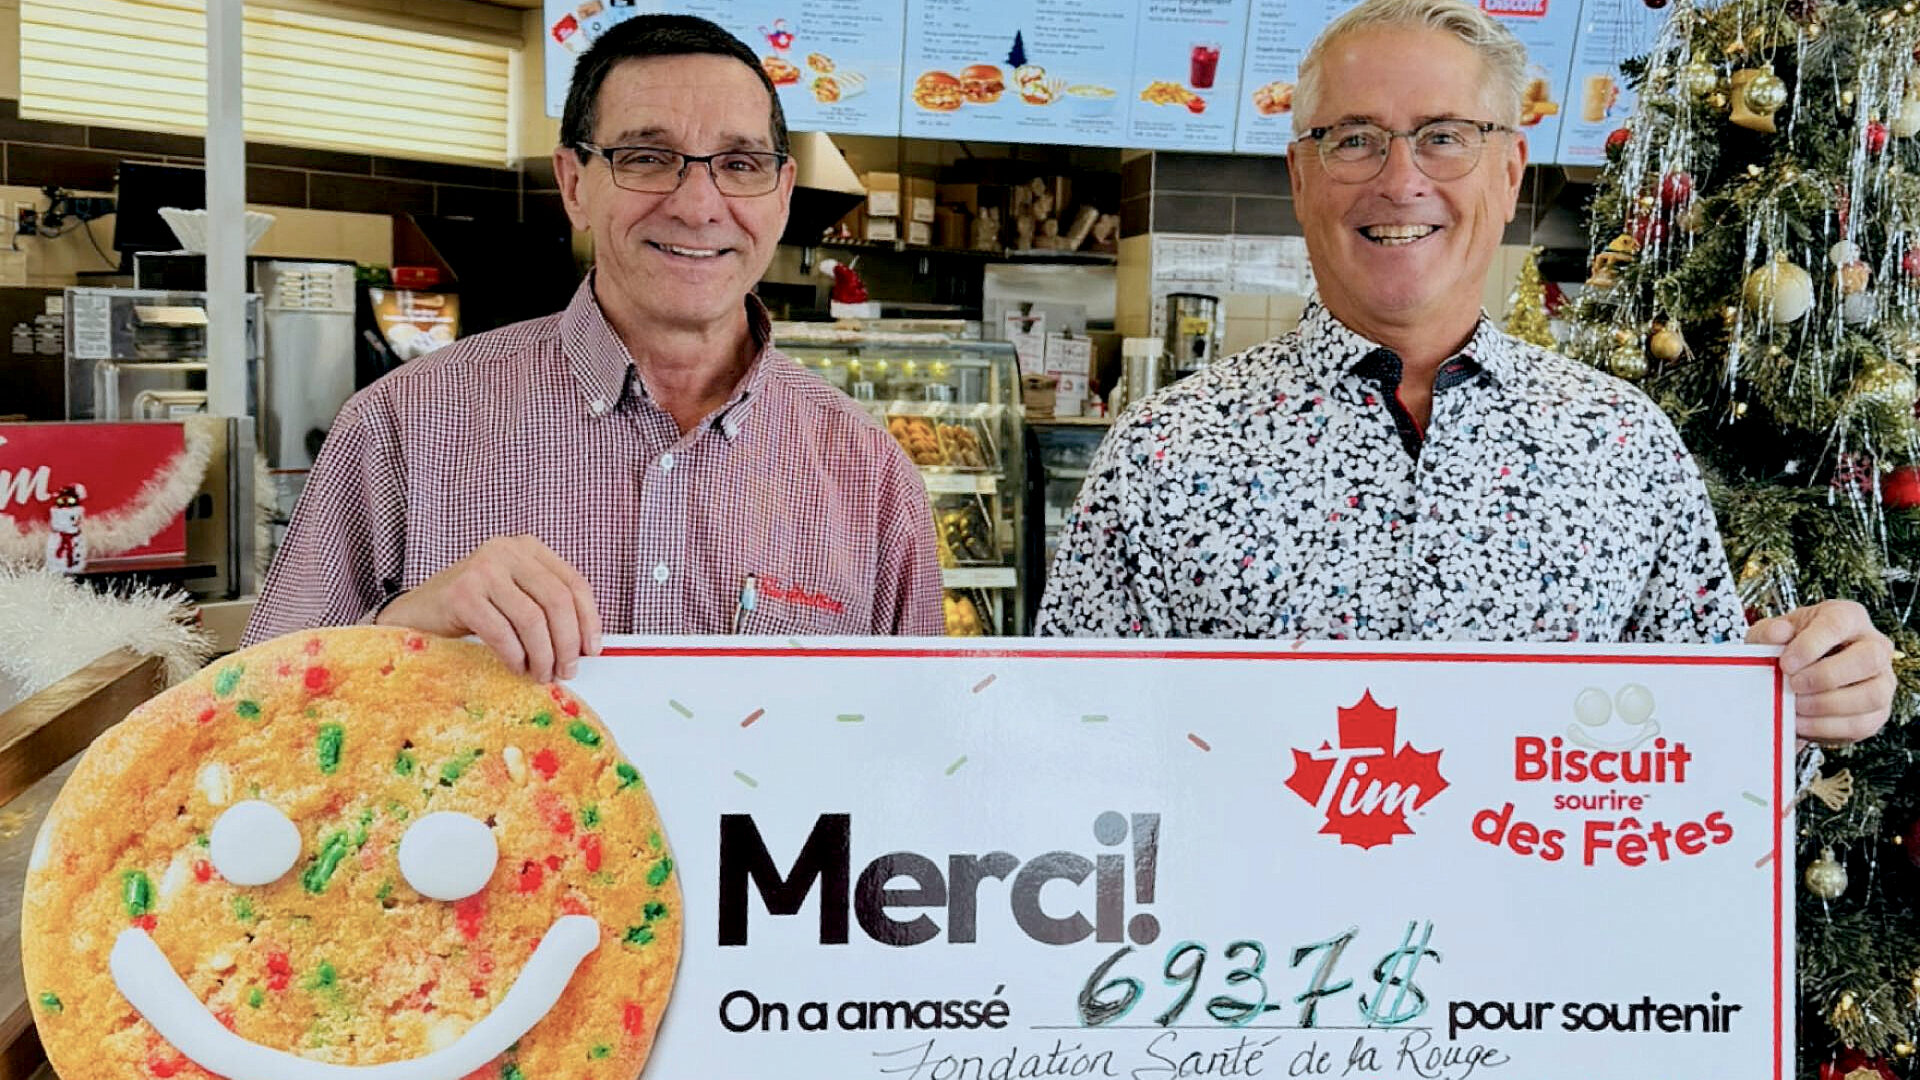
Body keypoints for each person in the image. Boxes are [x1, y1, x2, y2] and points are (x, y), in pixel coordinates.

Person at [1036, 0, 1894, 745]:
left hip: (1543, 930)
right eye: (1355, 140)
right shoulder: (1162, 452)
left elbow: (1705, 755)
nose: (1400, 180)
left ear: (1510, 171)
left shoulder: (1624, 445)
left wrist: (1811, 696)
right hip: (1239, 938)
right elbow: (1062, 739)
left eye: (1445, 137)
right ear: (1301, 178)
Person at [246, 14, 942, 678]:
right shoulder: (402, 426)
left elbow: (925, 759)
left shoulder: (871, 479)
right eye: (646, 157)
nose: (698, 205)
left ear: (782, 195)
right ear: (575, 184)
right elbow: (253, 714)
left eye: (740, 163)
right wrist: (410, 626)